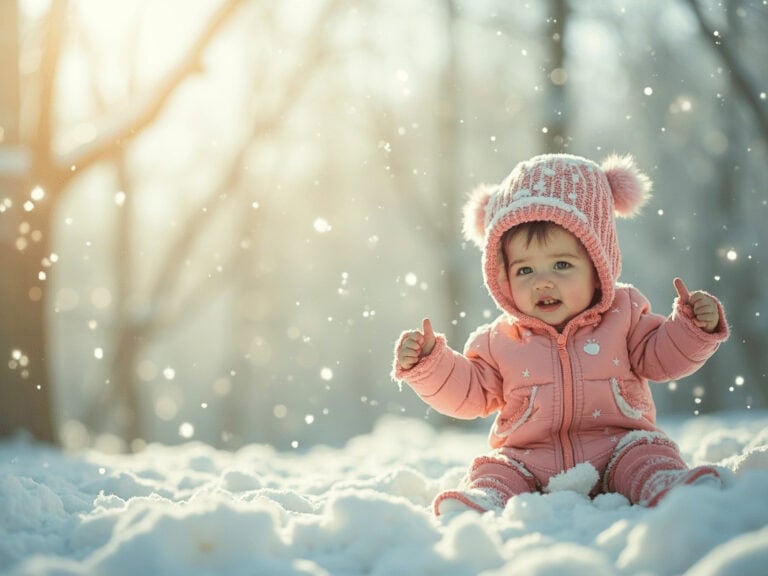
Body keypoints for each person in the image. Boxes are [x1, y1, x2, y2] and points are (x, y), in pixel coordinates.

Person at [392, 153, 729, 516]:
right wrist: (431, 365)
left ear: (599, 265)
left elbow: (662, 358)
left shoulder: (625, 313)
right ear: (503, 276)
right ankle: (484, 499)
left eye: (562, 264)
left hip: (618, 445)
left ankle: (665, 484)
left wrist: (692, 328)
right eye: (524, 270)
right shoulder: (500, 339)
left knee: (650, 451)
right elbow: (470, 392)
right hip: (529, 459)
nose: (543, 281)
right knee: (494, 467)